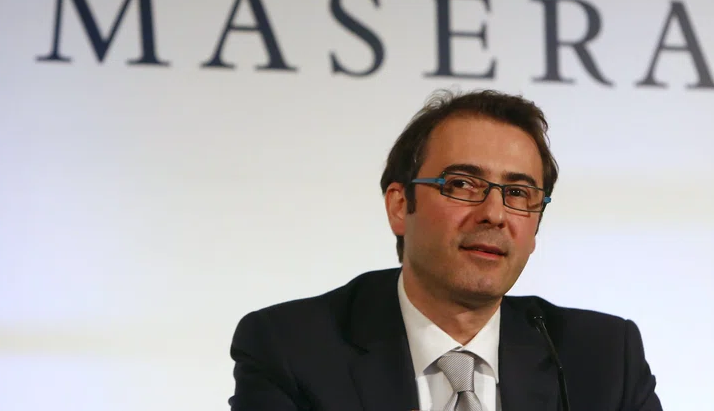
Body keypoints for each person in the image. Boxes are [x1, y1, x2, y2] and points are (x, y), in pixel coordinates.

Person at [228, 88, 662, 410]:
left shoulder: (601, 357)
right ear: (400, 206)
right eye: (462, 184)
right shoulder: (292, 348)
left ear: (534, 229)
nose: (494, 214)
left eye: (518, 193)